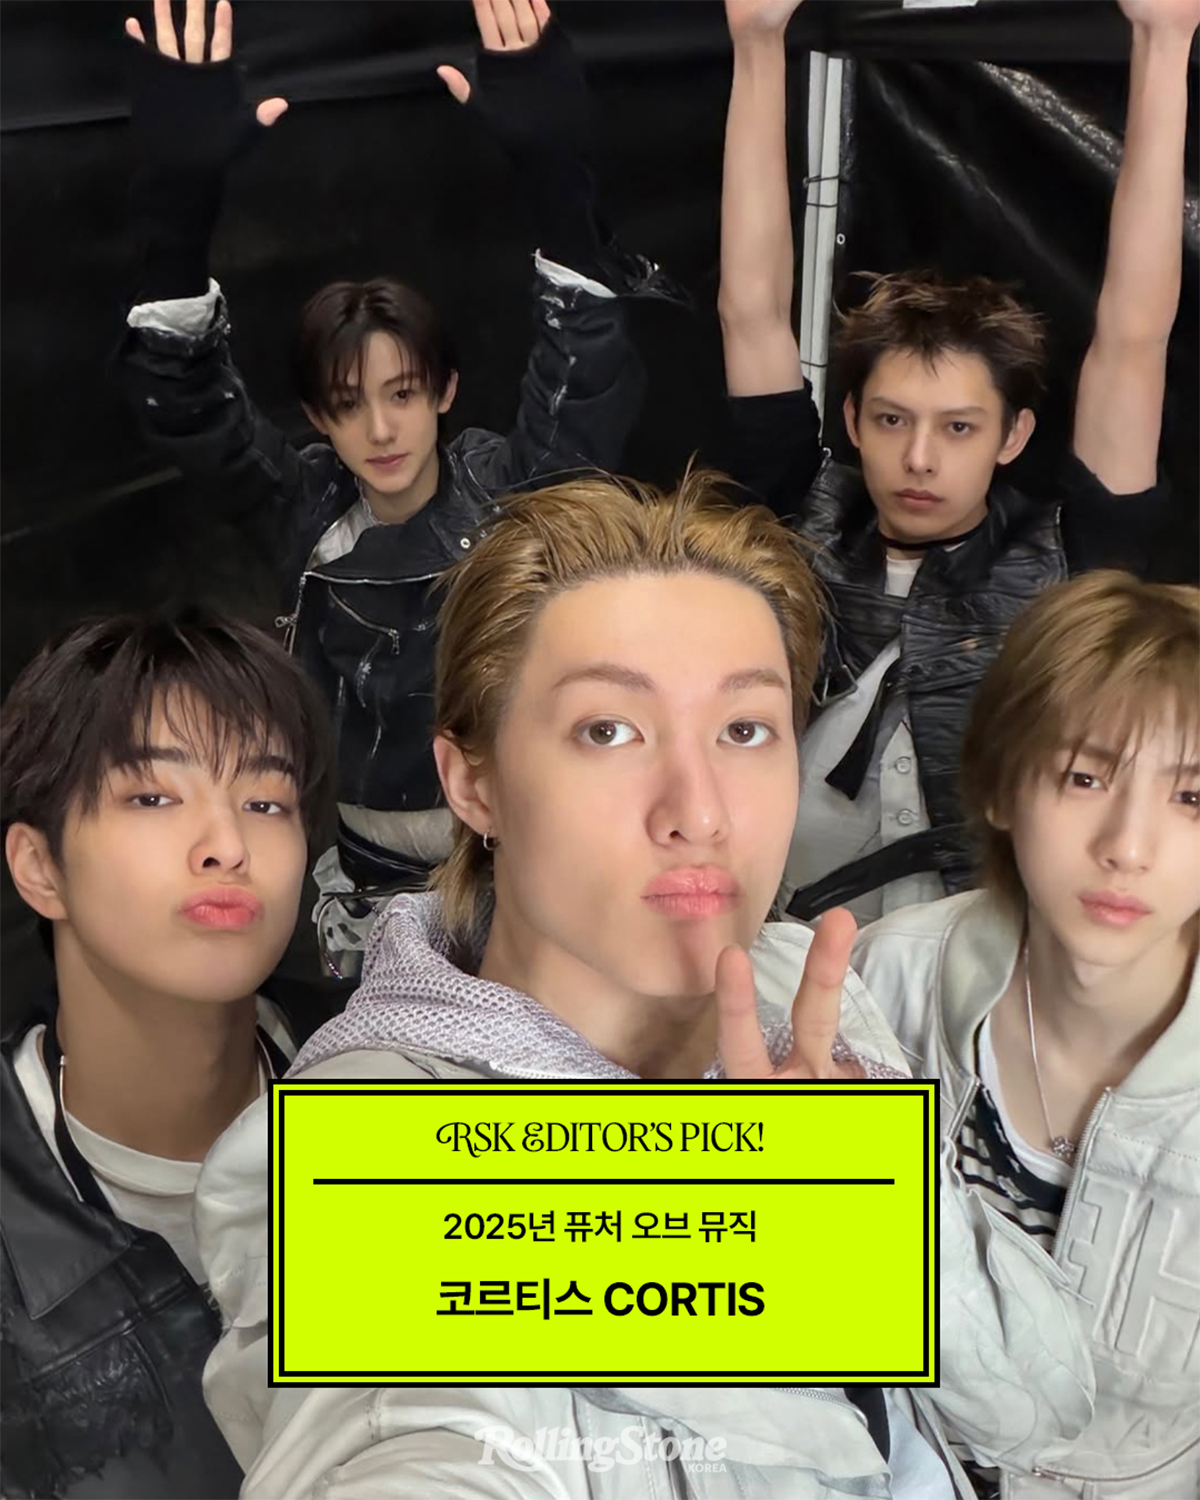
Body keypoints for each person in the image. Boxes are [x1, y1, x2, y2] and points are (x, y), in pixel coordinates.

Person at [195, 472, 1093, 1498]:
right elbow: (414, 1440)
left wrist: (856, 1211)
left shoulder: (797, 992)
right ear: (474, 783)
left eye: (744, 730)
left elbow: (1043, 1404)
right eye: (608, 730)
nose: (698, 811)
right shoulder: (375, 1158)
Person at [117, 0, 677, 977]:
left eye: (403, 394)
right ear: (318, 418)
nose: (380, 430)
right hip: (360, 891)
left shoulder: (512, 499)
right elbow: (188, 404)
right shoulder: (304, 510)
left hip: (509, 879)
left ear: (445, 391)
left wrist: (557, 176)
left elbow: (585, 370)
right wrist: (178, 213)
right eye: (349, 404)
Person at [718, 0, 1191, 923]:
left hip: (985, 930)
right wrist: (759, 42)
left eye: (960, 428)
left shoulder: (1071, 552)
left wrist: (1165, 40)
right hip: (790, 926)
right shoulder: (799, 511)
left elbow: (1135, 339)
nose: (920, 457)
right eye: (892, 419)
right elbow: (751, 309)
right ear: (852, 420)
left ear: (1013, 436)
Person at [852, 571, 1200, 1499]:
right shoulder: (886, 984)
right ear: (1005, 787)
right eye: (1084, 777)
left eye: (1192, 798)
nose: (1128, 846)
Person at [0, 609, 335, 1499]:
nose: (228, 845)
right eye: (153, 797)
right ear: (39, 867)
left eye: (266, 802)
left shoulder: (410, 1073)